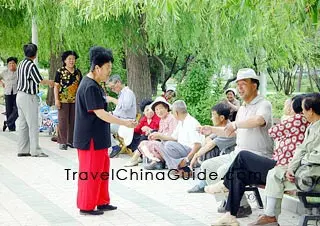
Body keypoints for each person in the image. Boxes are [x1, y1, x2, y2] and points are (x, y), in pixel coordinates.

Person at [210, 94, 309, 226]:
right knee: (240, 174)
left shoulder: (296, 120)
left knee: (243, 156)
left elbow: (272, 132)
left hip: (282, 168)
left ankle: (225, 185)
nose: (286, 107)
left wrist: (286, 119)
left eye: (288, 104)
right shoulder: (301, 121)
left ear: (295, 107)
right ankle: (230, 216)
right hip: (280, 167)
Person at [198, 68, 274, 218]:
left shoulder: (264, 104)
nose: (239, 88)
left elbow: (259, 120)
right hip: (237, 153)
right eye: (238, 84)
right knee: (207, 166)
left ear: (254, 85)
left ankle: (238, 205)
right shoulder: (242, 109)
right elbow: (231, 131)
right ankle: (237, 204)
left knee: (223, 171)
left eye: (243, 84)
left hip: (256, 156)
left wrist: (236, 124)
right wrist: (211, 129)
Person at [73, 46, 137, 215]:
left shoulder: (97, 85)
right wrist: (124, 122)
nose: (109, 72)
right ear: (97, 68)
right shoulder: (89, 86)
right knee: (90, 172)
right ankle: (86, 206)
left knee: (102, 170)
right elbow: (100, 113)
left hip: (99, 136)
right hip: (90, 138)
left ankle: (101, 201)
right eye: (108, 68)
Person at [248, 93, 320, 226]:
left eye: (303, 110)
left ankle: (270, 217)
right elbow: (301, 150)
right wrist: (291, 169)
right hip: (306, 171)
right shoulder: (311, 126)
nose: (301, 113)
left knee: (274, 175)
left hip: (313, 175)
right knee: (274, 174)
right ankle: (270, 216)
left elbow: (316, 156)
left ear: (311, 110)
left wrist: (297, 167)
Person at [187, 102, 237, 193]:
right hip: (223, 155)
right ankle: (204, 181)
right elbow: (208, 138)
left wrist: (195, 155)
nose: (211, 118)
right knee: (208, 148)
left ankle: (204, 184)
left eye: (213, 115)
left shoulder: (228, 129)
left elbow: (211, 145)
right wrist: (210, 142)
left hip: (230, 157)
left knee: (210, 150)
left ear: (222, 118)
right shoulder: (220, 127)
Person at [16, 43, 54, 157]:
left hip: (20, 95)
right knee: (33, 124)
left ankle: (23, 149)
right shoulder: (31, 65)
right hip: (28, 97)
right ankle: (35, 150)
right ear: (35, 54)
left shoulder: (21, 64)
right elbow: (39, 80)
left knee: (23, 124)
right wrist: (51, 82)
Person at [125, 96, 178, 169]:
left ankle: (156, 160)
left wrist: (156, 134)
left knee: (148, 141)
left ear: (166, 108)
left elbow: (174, 137)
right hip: (162, 143)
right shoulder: (161, 119)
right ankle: (156, 161)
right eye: (157, 109)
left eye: (161, 108)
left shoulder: (171, 118)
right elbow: (138, 129)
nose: (159, 111)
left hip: (170, 145)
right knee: (143, 143)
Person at [159, 100, 204, 176]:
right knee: (162, 144)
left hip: (191, 152)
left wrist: (187, 159)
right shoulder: (181, 122)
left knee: (168, 145)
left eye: (172, 112)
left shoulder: (191, 122)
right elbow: (173, 137)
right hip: (182, 149)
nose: (172, 114)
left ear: (176, 112)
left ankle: (185, 168)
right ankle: (177, 168)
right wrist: (159, 136)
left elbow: (198, 145)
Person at [54, 50, 82, 150]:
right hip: (63, 100)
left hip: (75, 101)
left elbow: (80, 86)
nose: (71, 61)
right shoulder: (60, 71)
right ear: (65, 60)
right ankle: (62, 141)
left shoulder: (78, 72)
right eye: (69, 59)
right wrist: (56, 99)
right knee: (63, 121)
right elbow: (56, 86)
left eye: (73, 59)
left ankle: (71, 141)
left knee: (74, 121)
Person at [107, 74, 137, 157]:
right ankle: (114, 146)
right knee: (101, 122)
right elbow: (119, 111)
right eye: (111, 88)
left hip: (127, 122)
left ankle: (115, 146)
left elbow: (125, 107)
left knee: (104, 127)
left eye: (113, 87)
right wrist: (112, 113)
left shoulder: (128, 93)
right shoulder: (121, 94)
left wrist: (112, 100)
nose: (112, 90)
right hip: (120, 121)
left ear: (118, 83)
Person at [0, 57, 19, 132]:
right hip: (7, 93)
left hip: (17, 93)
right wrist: (2, 83)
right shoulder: (4, 72)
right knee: (9, 111)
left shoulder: (19, 72)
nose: (11, 65)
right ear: (7, 64)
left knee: (17, 110)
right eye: (10, 63)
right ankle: (12, 128)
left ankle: (7, 122)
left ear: (16, 64)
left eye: (13, 63)